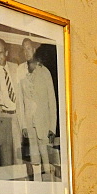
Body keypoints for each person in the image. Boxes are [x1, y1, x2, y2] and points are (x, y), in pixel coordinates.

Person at [20, 38, 57, 181]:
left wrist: (52, 128)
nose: (26, 52)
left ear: (34, 50)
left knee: (46, 157)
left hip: (44, 125)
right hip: (30, 125)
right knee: (34, 157)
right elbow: (22, 102)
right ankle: (37, 184)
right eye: (24, 49)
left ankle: (49, 186)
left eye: (28, 48)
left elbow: (51, 101)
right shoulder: (22, 73)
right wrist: (24, 124)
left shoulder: (45, 72)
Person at [0, 38, 24, 170]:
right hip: (3, 119)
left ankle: (20, 188)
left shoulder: (15, 68)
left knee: (19, 158)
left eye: (0, 53)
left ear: (6, 53)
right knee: (6, 162)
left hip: (16, 117)